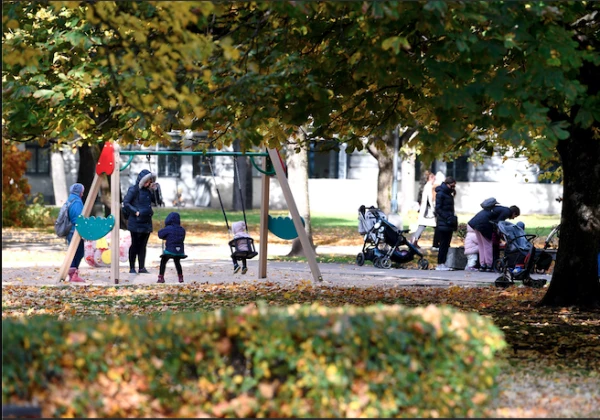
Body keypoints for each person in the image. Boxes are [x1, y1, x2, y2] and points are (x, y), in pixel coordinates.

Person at [123, 169, 157, 274]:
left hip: (146, 221)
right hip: (136, 222)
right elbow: (126, 203)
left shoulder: (149, 191)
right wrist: (135, 212)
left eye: (150, 181)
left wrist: (156, 191)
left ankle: (142, 267)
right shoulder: (133, 190)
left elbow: (157, 201)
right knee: (135, 245)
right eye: (147, 181)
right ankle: (132, 267)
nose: (148, 183)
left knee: (143, 246)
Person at [468, 204, 520, 272]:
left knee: (481, 245)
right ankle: (489, 265)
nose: (513, 218)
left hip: (475, 222)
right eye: (515, 216)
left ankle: (482, 265)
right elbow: (498, 223)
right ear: (514, 213)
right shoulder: (507, 212)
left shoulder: (501, 209)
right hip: (484, 224)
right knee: (488, 245)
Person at [434, 176, 457, 271]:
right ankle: (440, 263)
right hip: (444, 222)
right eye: (452, 186)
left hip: (448, 222)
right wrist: (447, 217)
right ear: (447, 184)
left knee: (447, 243)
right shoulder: (441, 194)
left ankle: (443, 263)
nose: (453, 188)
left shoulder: (448, 194)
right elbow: (438, 209)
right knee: (443, 244)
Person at [157, 212, 186, 284]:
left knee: (163, 261)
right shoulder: (182, 229)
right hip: (179, 251)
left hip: (170, 251)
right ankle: (180, 277)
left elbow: (160, 235)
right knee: (177, 261)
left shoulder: (168, 228)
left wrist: (162, 230)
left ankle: (161, 277)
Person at [66, 183, 86, 282]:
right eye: (82, 192)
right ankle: (74, 275)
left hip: (71, 230)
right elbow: (77, 218)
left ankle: (72, 275)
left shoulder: (70, 198)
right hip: (75, 231)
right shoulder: (77, 201)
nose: (82, 194)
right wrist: (82, 231)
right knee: (78, 252)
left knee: (74, 252)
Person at [411, 171, 437, 248]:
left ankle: (414, 240)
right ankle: (414, 240)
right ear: (431, 178)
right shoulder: (428, 186)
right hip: (427, 210)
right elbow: (429, 199)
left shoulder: (427, 186)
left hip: (425, 209)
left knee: (422, 226)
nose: (435, 180)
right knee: (434, 226)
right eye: (434, 178)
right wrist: (433, 208)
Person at [431, 171, 446, 250]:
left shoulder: (434, 187)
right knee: (438, 228)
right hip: (438, 209)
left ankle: (436, 243)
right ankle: (436, 243)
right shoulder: (439, 188)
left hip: (435, 208)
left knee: (438, 227)